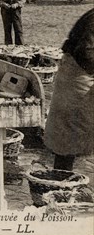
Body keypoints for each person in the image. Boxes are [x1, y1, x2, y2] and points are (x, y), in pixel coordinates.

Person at [44, 9, 94, 171]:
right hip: (78, 74)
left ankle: (63, 179)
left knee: (71, 135)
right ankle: (61, 184)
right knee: (69, 135)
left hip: (79, 71)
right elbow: (84, 50)